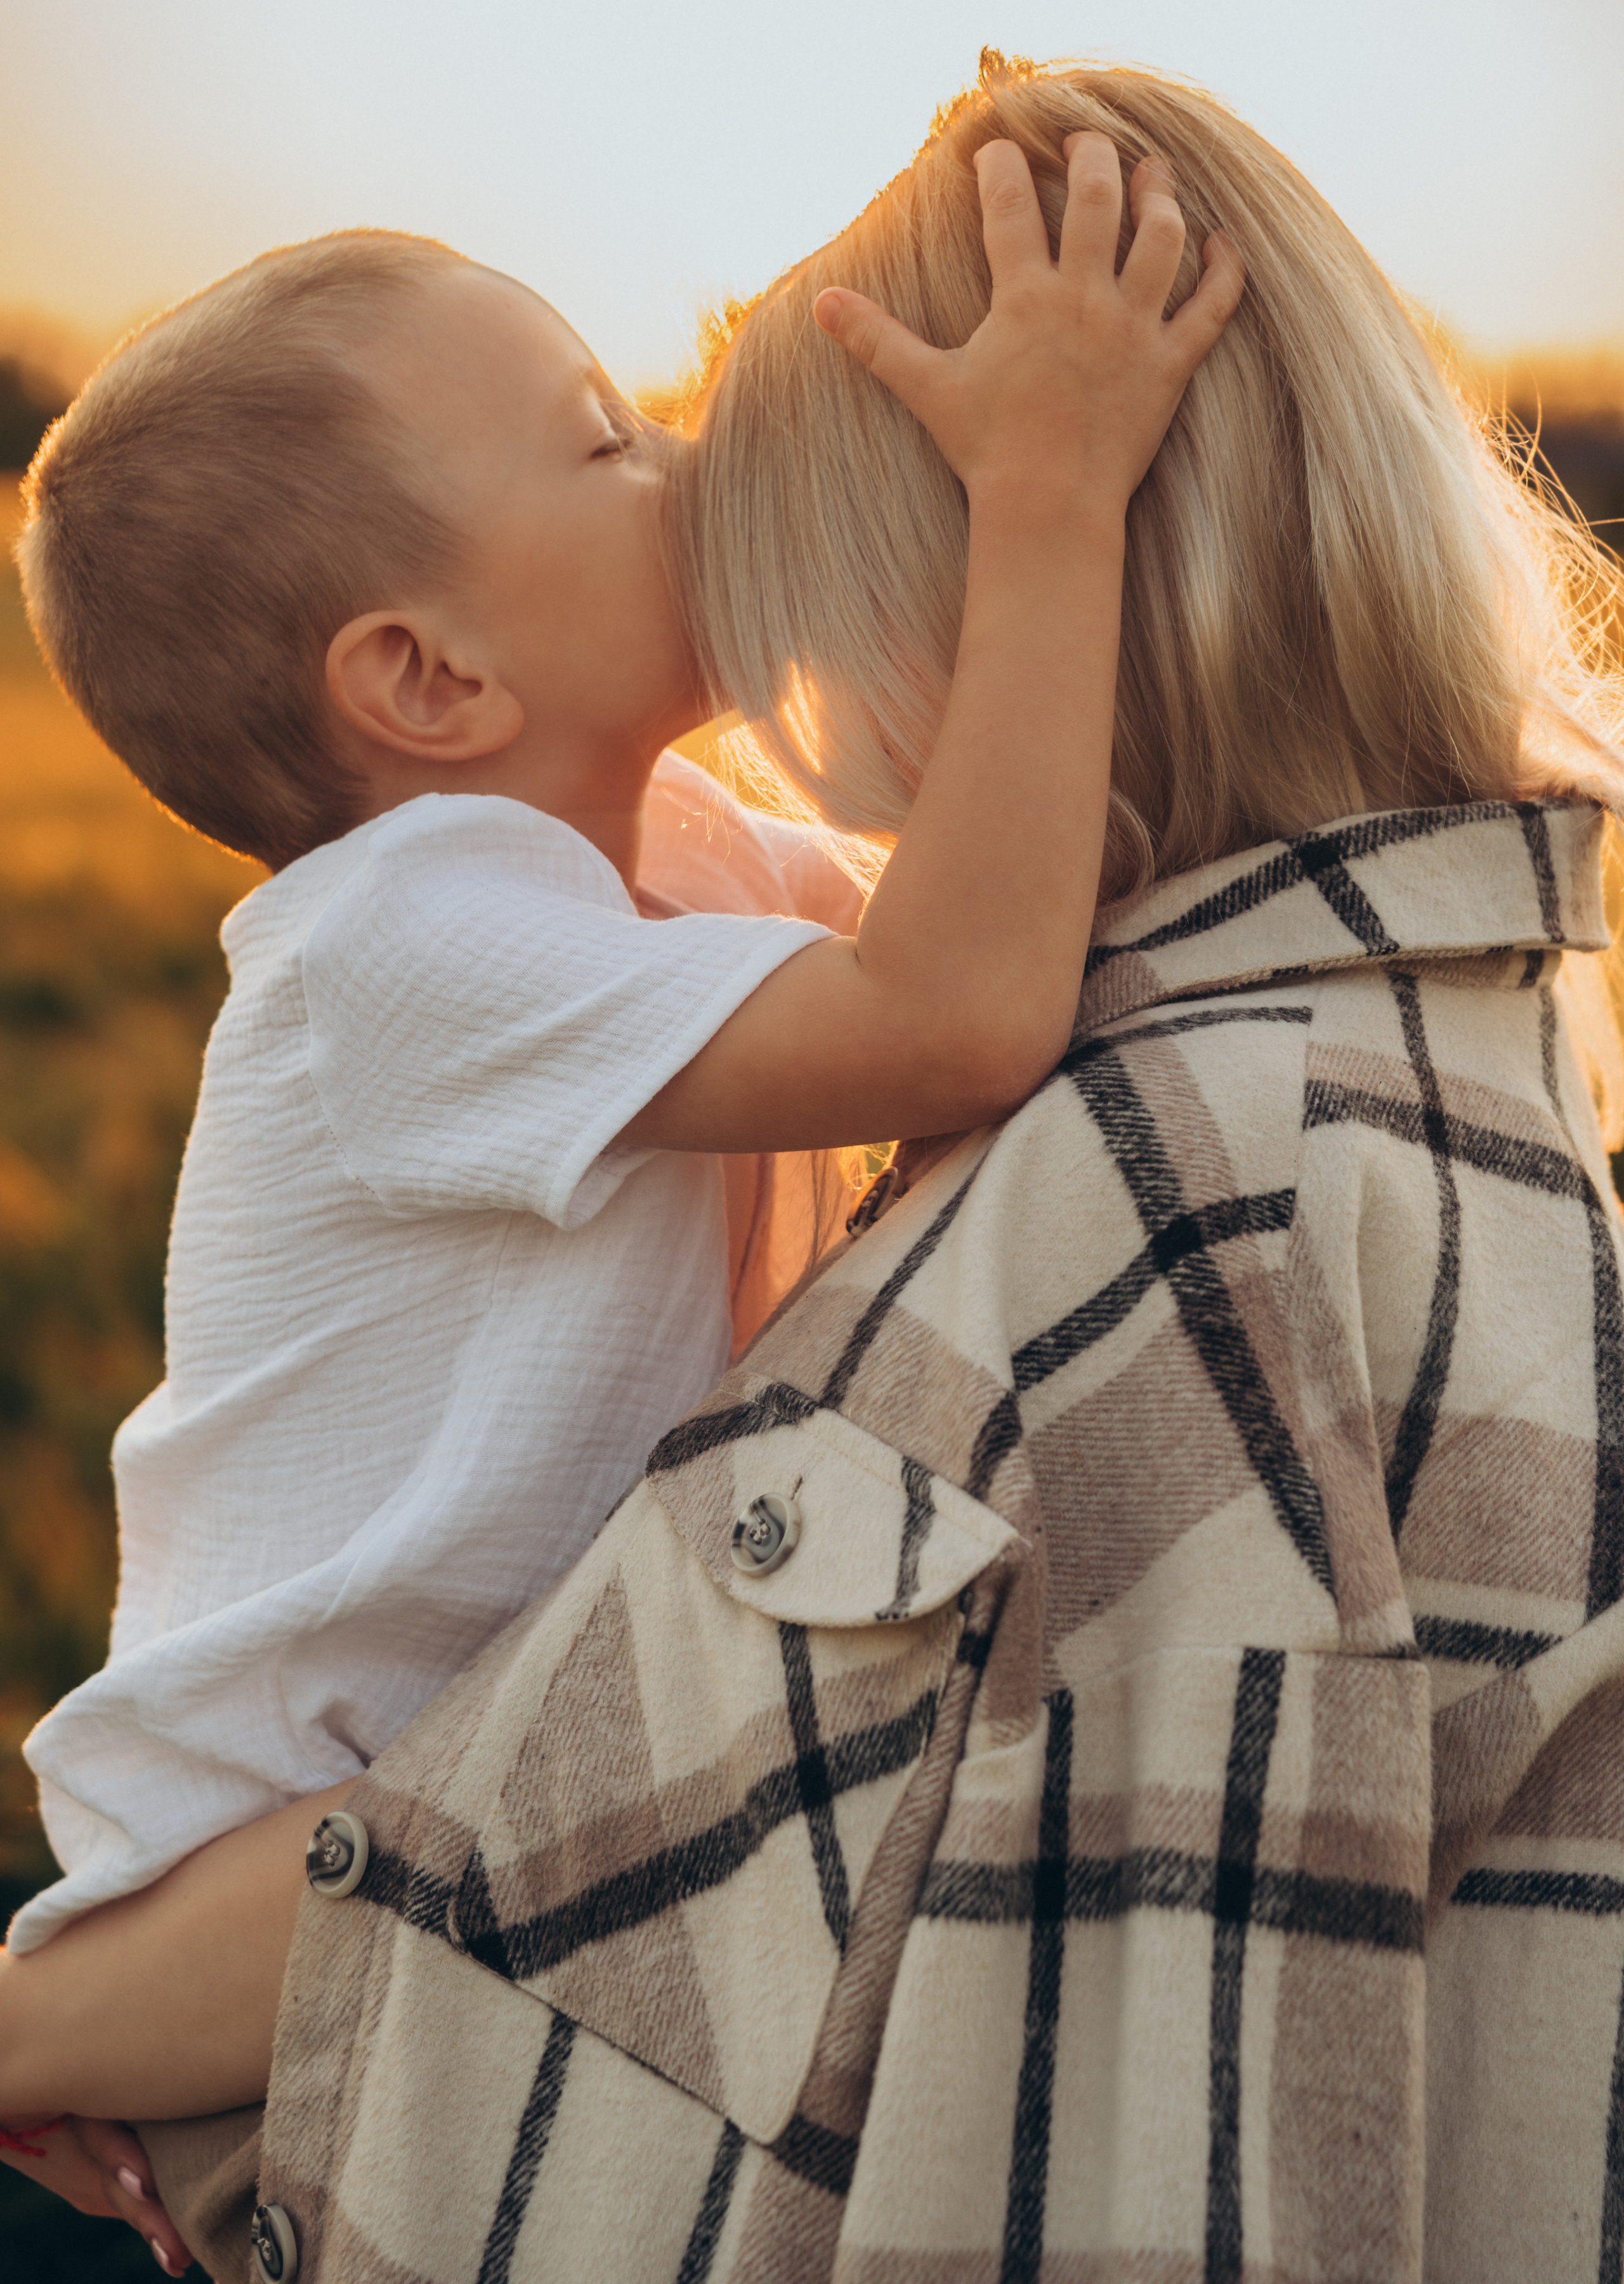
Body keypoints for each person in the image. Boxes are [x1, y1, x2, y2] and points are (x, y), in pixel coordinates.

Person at [8, 48, 1624, 2283]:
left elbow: (978, 885)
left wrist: (937, 265)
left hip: (486, 1813)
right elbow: (963, 1001)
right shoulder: (401, 941)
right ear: (426, 678)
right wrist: (1049, 488)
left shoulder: (647, 861)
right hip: (285, 1846)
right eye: (607, 439)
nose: (686, 459)